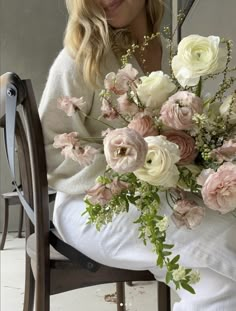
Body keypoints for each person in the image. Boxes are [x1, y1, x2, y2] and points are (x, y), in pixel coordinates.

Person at [39, 1, 236, 310]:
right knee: (228, 240)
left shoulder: (175, 55)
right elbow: (48, 147)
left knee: (221, 287)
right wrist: (125, 168)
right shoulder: (82, 56)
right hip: (88, 206)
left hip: (158, 202)